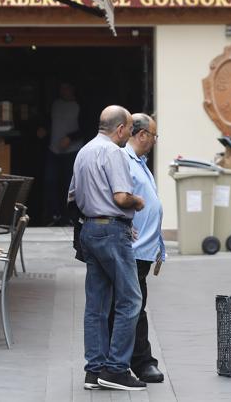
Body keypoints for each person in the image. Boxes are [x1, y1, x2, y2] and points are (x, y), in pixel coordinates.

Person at [69, 105, 147, 392]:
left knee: (97, 305)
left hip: (90, 229)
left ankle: (94, 370)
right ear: (120, 129)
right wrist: (137, 202)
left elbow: (74, 196)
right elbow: (121, 196)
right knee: (130, 300)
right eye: (128, 127)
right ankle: (116, 369)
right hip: (112, 231)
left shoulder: (84, 151)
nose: (129, 133)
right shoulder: (114, 152)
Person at [108, 113, 165, 384]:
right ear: (142, 135)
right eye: (153, 136)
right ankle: (138, 363)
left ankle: (132, 362)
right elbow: (116, 197)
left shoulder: (139, 162)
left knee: (133, 304)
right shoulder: (124, 161)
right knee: (133, 305)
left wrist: (159, 249)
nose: (154, 141)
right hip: (132, 247)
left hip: (143, 249)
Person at [46, 82, 85, 226]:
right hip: (54, 150)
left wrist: (71, 138)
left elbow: (86, 127)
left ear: (72, 89)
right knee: (51, 182)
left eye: (66, 87)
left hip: (72, 151)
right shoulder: (55, 104)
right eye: (61, 88)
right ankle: (54, 215)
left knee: (70, 184)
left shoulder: (80, 105)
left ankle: (70, 216)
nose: (63, 90)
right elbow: (49, 122)